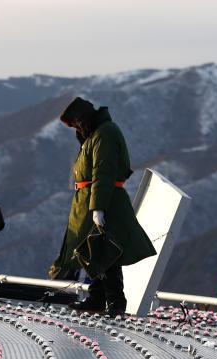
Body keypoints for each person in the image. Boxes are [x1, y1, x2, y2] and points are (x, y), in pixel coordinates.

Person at [49, 97, 156, 317]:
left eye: (76, 124)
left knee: (105, 251)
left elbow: (103, 171)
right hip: (91, 200)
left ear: (82, 119)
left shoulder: (104, 134)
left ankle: (116, 302)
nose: (76, 129)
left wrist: (98, 207)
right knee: (94, 251)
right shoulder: (96, 134)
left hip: (104, 201)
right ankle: (97, 298)